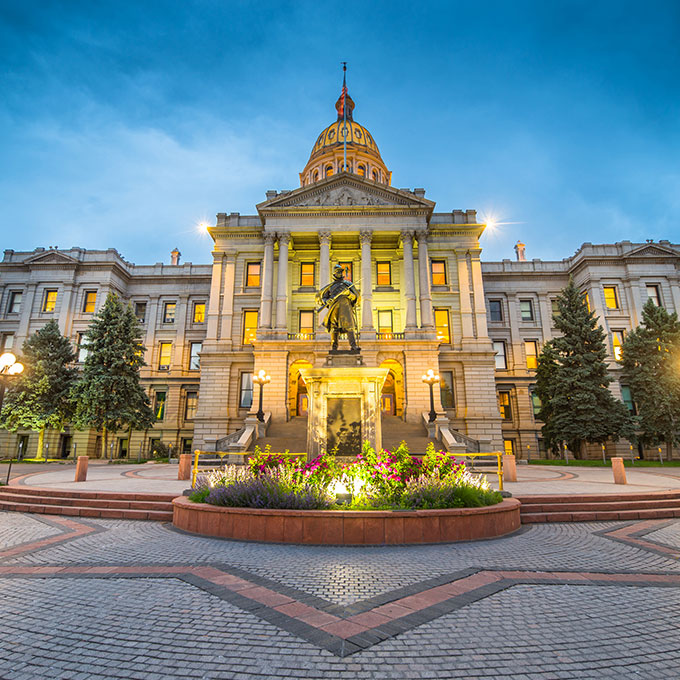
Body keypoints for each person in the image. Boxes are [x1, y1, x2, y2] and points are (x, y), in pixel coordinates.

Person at [316, 264, 359, 351]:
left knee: (349, 326)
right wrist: (326, 301)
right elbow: (323, 297)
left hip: (345, 308)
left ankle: (353, 346)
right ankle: (334, 347)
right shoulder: (331, 286)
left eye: (340, 272)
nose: (339, 273)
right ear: (334, 274)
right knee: (334, 327)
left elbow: (356, 297)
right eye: (337, 272)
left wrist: (348, 294)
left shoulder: (348, 284)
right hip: (334, 308)